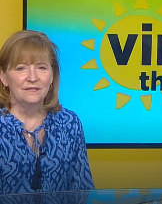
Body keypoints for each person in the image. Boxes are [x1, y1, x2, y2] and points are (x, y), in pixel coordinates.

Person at [0, 30, 94, 194]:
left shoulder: (69, 123)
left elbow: (82, 191)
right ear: (4, 77)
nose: (32, 77)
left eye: (41, 67)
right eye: (21, 68)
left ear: (52, 76)